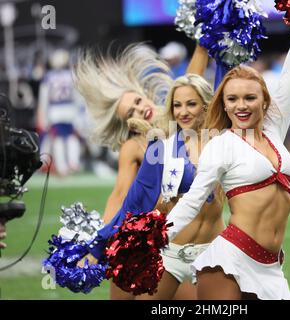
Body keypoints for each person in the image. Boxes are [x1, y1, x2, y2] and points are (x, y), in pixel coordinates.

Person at [165, 20, 290, 300]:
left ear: (264, 101)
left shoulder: (273, 133)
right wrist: (157, 239)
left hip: (272, 266)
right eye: (232, 99)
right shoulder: (221, 145)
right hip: (229, 262)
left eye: (249, 98)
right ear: (224, 103)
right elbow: (193, 200)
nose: (241, 105)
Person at [73, 44, 209, 299]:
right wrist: (107, 239)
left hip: (179, 242)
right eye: (130, 113)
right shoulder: (133, 146)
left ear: (144, 93)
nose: (139, 110)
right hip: (143, 239)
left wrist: (202, 45)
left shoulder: (176, 118)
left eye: (137, 101)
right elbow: (122, 194)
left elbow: (192, 80)